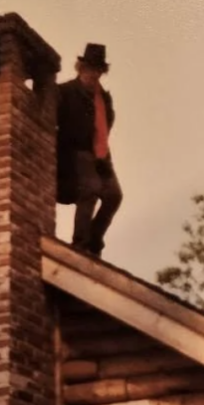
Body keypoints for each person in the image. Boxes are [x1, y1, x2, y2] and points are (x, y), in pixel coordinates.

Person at [56, 43, 122, 258]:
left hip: (100, 153)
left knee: (114, 195)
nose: (93, 74)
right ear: (80, 68)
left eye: (97, 70)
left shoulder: (104, 99)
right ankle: (80, 244)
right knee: (91, 188)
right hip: (74, 151)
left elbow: (106, 125)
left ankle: (94, 240)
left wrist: (101, 153)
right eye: (89, 68)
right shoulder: (65, 91)